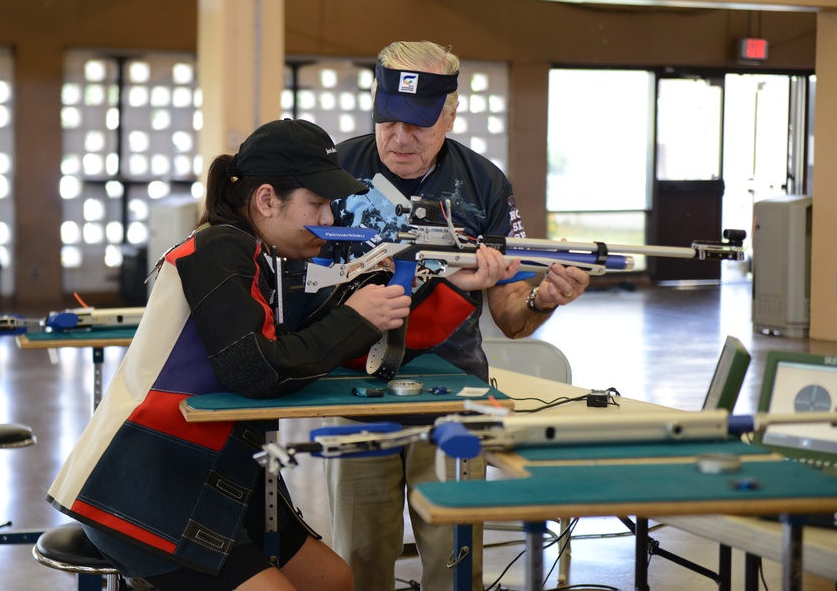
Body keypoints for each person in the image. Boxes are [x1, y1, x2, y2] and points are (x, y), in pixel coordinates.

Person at [46, 118, 412, 591]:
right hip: (144, 487)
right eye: (317, 204)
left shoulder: (264, 256)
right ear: (265, 200)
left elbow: (309, 337)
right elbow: (256, 370)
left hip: (222, 475)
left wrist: (424, 278)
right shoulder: (220, 247)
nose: (329, 220)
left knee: (335, 581)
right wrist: (358, 318)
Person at [321, 41, 591, 591]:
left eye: (418, 125)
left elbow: (512, 315)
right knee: (360, 562)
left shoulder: (484, 184)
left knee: (454, 565)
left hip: (451, 397)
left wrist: (545, 294)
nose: (400, 137)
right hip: (350, 394)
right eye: (389, 120)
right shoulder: (334, 174)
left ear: (450, 113)